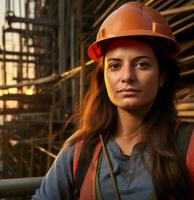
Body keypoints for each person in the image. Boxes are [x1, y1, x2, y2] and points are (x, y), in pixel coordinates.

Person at [32, 1, 194, 200]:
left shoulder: (189, 146)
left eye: (142, 64)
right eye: (115, 66)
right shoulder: (79, 151)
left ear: (162, 76)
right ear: (104, 78)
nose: (127, 76)